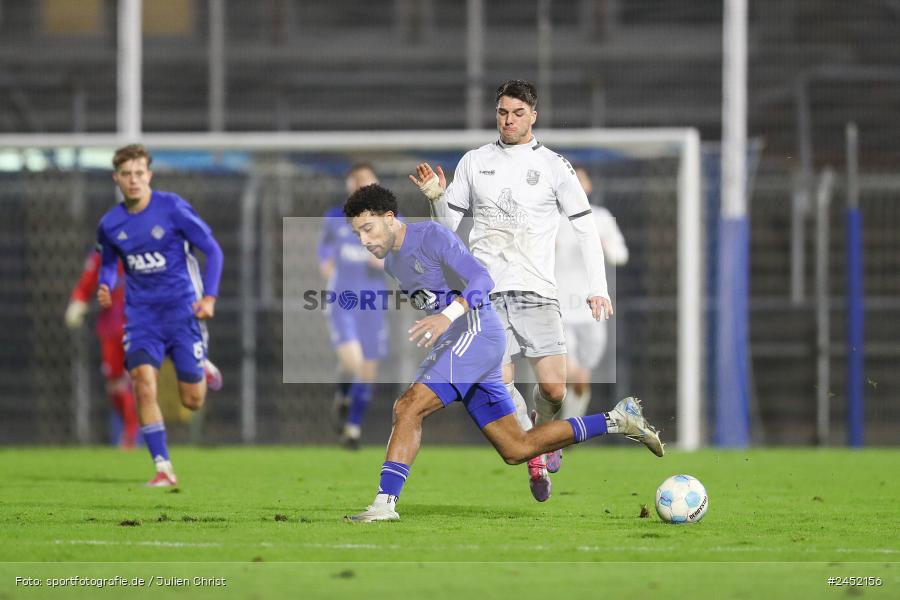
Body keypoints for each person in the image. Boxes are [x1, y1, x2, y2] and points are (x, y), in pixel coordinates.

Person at [342, 184, 662, 522]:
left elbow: (482, 279)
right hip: (464, 344)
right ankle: (617, 420)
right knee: (517, 448)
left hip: (475, 333)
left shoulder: (430, 235)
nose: (364, 240)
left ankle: (384, 503)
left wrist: (446, 316)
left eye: (368, 228)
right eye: (357, 233)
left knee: (408, 405)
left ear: (390, 219)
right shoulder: (392, 261)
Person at [409, 79, 617, 501]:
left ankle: (543, 432)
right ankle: (537, 454)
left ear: (533, 116)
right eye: (502, 112)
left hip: (538, 291)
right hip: (485, 293)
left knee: (556, 389)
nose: (508, 120)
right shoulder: (474, 161)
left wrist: (599, 287)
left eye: (517, 113)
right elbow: (448, 229)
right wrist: (436, 198)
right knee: (500, 383)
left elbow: (584, 226)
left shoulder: (556, 166)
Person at [95, 144, 224, 487]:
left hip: (183, 314)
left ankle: (203, 365)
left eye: (139, 173)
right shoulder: (110, 224)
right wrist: (105, 284)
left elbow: (212, 249)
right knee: (142, 382)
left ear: (149, 175)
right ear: (117, 178)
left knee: (192, 401)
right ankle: (163, 467)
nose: (133, 180)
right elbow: (108, 262)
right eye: (126, 174)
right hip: (141, 319)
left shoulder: (172, 209)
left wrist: (209, 297)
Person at [317, 163, 390, 449]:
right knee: (352, 362)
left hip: (373, 303)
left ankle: (352, 428)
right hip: (342, 301)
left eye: (367, 183)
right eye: (356, 183)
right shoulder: (335, 218)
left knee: (369, 369)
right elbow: (324, 253)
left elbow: (399, 254)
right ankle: (343, 395)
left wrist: (385, 259)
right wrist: (326, 263)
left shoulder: (388, 220)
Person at [556, 166, 629, 420]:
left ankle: (571, 424)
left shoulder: (601, 218)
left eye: (581, 179)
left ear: (588, 186)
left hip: (591, 309)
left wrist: (606, 246)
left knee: (581, 377)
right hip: (559, 308)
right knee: (564, 370)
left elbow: (621, 255)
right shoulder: (551, 220)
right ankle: (560, 426)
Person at [65, 251, 139, 448]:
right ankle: (129, 430)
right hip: (109, 327)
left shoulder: (143, 245)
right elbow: (87, 282)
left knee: (135, 380)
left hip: (136, 323)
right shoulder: (102, 254)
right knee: (114, 385)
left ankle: (131, 436)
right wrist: (78, 302)